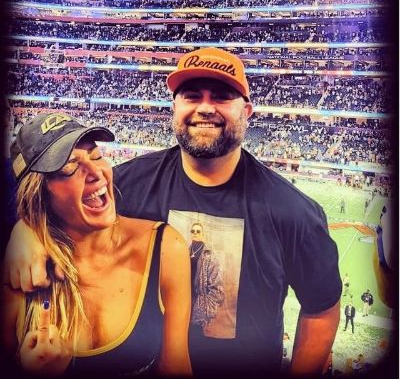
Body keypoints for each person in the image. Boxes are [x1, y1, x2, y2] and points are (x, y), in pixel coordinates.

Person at [4, 47, 342, 377]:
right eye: (192, 96)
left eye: (222, 97)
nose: (205, 108)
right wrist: (26, 231)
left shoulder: (294, 211)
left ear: (247, 111)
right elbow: (62, 208)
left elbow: (321, 310)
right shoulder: (125, 185)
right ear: (175, 108)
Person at [1, 113, 192, 377]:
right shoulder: (19, 276)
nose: (96, 173)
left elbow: (176, 368)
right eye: (69, 167)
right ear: (39, 193)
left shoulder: (166, 247)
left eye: (96, 156)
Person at [189, 222, 224, 331]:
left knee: (196, 332)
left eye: (198, 231)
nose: (195, 233)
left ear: (203, 234)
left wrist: (209, 307)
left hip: (200, 301)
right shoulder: (185, 251)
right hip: (185, 297)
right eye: (193, 231)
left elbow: (216, 284)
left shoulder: (210, 256)